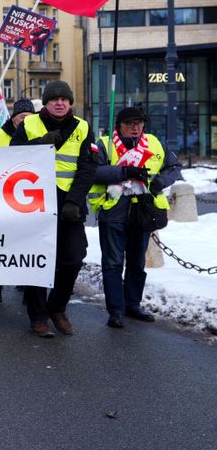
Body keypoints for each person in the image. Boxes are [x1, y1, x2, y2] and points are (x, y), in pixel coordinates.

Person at [11, 81, 96, 338]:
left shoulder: (83, 127)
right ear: (46, 103)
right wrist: (39, 143)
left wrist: (74, 201)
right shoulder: (29, 125)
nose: (60, 103)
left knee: (73, 256)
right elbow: (11, 157)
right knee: (37, 259)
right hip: (34, 202)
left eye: (64, 99)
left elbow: (87, 167)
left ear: (70, 102)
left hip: (69, 203)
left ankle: (57, 307)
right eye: (54, 99)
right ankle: (38, 317)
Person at [89, 106, 182, 329]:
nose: (135, 127)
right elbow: (93, 171)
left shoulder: (154, 143)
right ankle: (116, 311)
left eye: (139, 123)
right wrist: (124, 172)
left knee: (137, 262)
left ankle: (133, 304)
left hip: (143, 210)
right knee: (112, 263)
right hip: (114, 210)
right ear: (118, 126)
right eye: (130, 123)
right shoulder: (104, 145)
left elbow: (174, 167)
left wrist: (161, 181)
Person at [0, 97, 35, 302]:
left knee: (27, 244)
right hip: (1, 197)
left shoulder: (39, 134)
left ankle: (27, 284)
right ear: (13, 118)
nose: (25, 121)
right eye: (21, 117)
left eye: (29, 117)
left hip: (27, 198)